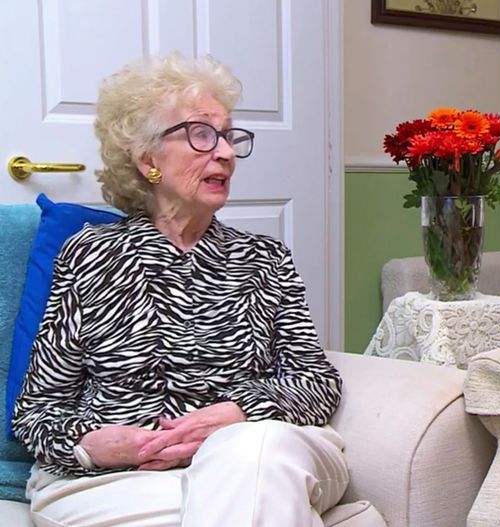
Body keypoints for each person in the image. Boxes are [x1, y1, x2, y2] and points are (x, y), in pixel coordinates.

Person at [13, 54, 347, 526]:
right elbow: (38, 411)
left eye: (229, 136)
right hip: (120, 481)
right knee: (262, 499)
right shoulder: (88, 256)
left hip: (258, 454)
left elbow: (316, 382)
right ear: (148, 159)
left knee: (254, 454)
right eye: (201, 135)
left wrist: (240, 412)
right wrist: (92, 445)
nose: (226, 153)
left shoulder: (265, 259)